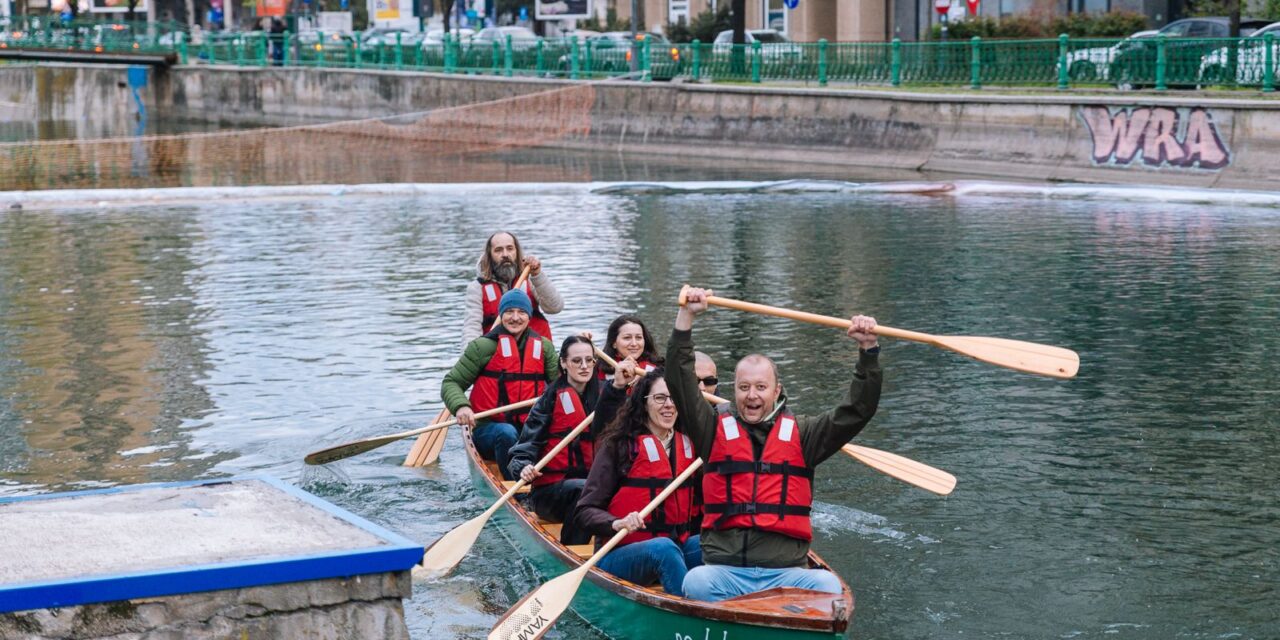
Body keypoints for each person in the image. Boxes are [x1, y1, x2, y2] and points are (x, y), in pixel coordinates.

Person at [667, 287, 882, 602]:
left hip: (786, 574)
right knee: (696, 581)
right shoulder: (711, 429)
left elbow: (857, 410)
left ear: (776, 390)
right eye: (743, 387)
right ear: (734, 390)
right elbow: (679, 381)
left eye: (760, 387)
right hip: (726, 574)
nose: (751, 395)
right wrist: (685, 317)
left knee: (830, 588)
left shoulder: (804, 435)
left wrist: (868, 351)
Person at [574, 365, 703, 596]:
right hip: (618, 556)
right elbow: (584, 511)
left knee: (715, 544)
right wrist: (617, 522)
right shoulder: (621, 445)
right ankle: (689, 616)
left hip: (674, 548)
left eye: (674, 398)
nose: (669, 405)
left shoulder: (689, 446)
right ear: (644, 403)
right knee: (663, 549)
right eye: (660, 398)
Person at [442, 289, 557, 481]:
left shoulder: (543, 347)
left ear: (529, 316)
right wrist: (461, 406)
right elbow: (451, 383)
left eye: (521, 312)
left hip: (529, 429)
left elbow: (560, 386)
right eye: (509, 312)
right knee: (506, 433)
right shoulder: (482, 347)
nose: (515, 318)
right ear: (501, 314)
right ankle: (515, 486)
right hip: (490, 429)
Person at [507, 335, 609, 545]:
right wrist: (524, 467)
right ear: (563, 363)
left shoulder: (606, 396)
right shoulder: (549, 400)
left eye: (589, 360)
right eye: (576, 361)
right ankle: (573, 550)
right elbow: (521, 452)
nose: (584, 366)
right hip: (550, 495)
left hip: (594, 489)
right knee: (583, 489)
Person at [461, 231, 563, 349]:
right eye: (498, 250)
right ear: (489, 256)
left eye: (510, 249)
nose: (505, 254)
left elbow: (555, 307)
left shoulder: (530, 278)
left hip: (536, 355)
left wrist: (537, 275)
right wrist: (470, 356)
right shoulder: (477, 288)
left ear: (517, 252)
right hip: (499, 358)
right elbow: (471, 328)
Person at [597, 314, 664, 380]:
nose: (634, 344)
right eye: (627, 338)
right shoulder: (595, 368)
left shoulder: (656, 369)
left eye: (638, 337)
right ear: (614, 343)